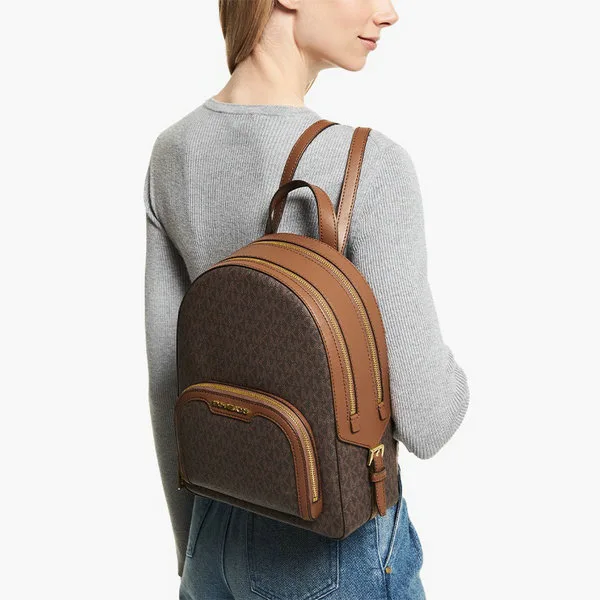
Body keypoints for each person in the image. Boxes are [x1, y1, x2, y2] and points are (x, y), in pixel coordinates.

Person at [143, 1, 470, 598]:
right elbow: (429, 421)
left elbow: (168, 380)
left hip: (210, 530)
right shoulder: (367, 164)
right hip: (331, 548)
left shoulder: (174, 150)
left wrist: (194, 554)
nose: (388, 12)